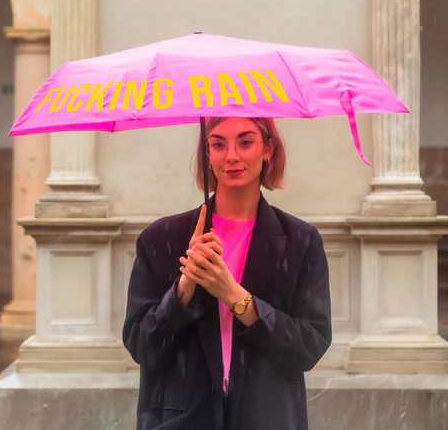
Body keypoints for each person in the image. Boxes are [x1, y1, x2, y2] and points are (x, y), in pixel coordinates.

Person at [123, 117, 332, 430]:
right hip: (179, 421)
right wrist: (184, 289)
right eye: (218, 144)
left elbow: (310, 346)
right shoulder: (160, 239)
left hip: (266, 419)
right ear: (207, 154)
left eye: (245, 142)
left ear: (268, 149)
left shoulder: (300, 241)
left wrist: (235, 297)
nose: (231, 156)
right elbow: (142, 346)